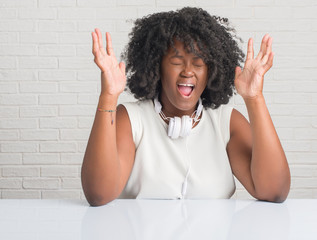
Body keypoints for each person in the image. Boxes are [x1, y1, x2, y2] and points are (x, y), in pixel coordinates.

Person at [81, 7, 290, 206]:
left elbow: (274, 190)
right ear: (157, 67)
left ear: (211, 71)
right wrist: (108, 96)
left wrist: (254, 98)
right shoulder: (131, 119)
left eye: (198, 63)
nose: (188, 71)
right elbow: (99, 194)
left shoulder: (226, 122)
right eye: (177, 61)